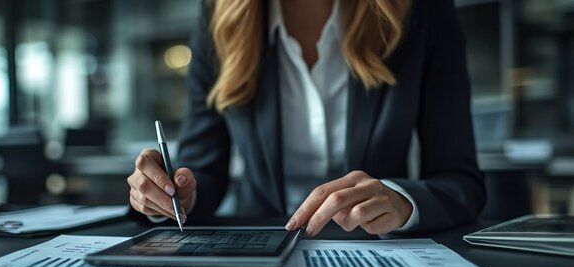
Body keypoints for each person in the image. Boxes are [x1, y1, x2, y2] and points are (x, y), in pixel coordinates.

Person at [127, 0, 486, 236]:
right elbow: (202, 170)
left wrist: (401, 199)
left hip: (376, 248)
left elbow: (460, 181)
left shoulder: (420, 11)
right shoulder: (220, 17)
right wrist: (175, 196)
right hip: (260, 245)